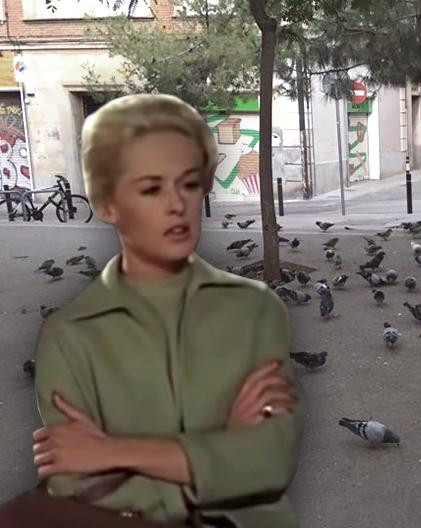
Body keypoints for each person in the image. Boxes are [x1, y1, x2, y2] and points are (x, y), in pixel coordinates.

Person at [28, 94, 305, 527]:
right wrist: (220, 452)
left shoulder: (255, 310)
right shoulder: (69, 336)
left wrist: (113, 452)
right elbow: (76, 485)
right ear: (106, 203)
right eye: (152, 187)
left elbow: (269, 464)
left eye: (190, 183)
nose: (177, 204)